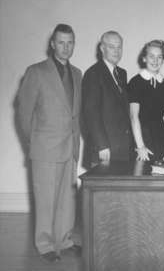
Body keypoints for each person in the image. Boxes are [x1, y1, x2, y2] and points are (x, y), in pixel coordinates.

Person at [17, 24, 82, 262]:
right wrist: (34, 143)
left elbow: (75, 113)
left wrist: (76, 144)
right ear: (52, 44)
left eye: (70, 42)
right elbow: (23, 114)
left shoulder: (77, 74)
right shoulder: (36, 72)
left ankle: (64, 240)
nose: (65, 47)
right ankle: (44, 245)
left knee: (67, 199)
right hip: (44, 147)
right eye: (61, 42)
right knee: (45, 199)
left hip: (70, 146)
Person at [81, 31, 134, 164]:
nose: (116, 51)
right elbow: (90, 113)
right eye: (111, 47)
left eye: (119, 47)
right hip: (104, 151)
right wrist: (102, 146)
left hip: (122, 149)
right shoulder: (93, 73)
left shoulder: (122, 73)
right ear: (102, 48)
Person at [127, 40, 164, 161]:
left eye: (159, 57)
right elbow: (133, 116)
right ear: (144, 58)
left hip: (160, 138)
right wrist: (140, 146)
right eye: (151, 56)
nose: (155, 61)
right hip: (141, 138)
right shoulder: (136, 82)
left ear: (163, 60)